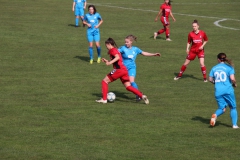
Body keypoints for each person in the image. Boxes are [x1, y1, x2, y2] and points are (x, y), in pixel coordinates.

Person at [96, 38, 149, 104]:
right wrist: (108, 61)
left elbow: (117, 57)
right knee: (128, 86)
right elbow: (118, 60)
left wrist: (109, 63)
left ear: (109, 44)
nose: (106, 47)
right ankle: (142, 95)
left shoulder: (113, 50)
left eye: (106, 45)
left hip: (119, 70)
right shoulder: (116, 50)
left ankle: (104, 99)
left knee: (104, 81)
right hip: (124, 70)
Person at [118, 35, 161, 101]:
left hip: (132, 68)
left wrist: (154, 54)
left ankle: (138, 95)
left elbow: (144, 53)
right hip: (123, 69)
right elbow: (115, 53)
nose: (125, 43)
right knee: (127, 85)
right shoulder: (122, 48)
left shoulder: (135, 49)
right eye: (125, 42)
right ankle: (139, 94)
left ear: (131, 42)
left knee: (132, 82)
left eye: (127, 42)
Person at [209, 53, 238, 129]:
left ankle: (215, 115)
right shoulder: (229, 67)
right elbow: (232, 79)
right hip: (228, 90)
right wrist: (234, 84)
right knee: (233, 107)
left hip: (218, 91)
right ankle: (234, 125)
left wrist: (216, 83)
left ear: (218, 59)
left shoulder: (214, 68)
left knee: (222, 108)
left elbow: (210, 79)